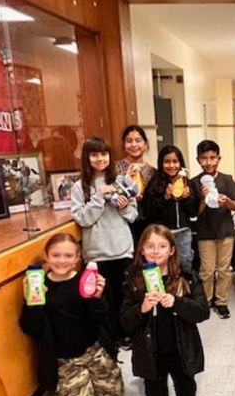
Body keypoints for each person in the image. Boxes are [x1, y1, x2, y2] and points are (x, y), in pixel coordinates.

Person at [19, 233, 123, 396]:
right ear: (46, 256)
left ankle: (94, 375)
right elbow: (30, 328)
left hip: (93, 349)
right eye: (56, 255)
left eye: (68, 256)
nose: (61, 261)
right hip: (65, 358)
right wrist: (31, 303)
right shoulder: (39, 285)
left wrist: (98, 298)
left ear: (77, 258)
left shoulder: (85, 281)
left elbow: (102, 318)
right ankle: (83, 379)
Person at [119, 223, 209, 396]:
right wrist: (141, 308)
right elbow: (124, 321)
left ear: (171, 250)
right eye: (150, 246)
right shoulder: (133, 279)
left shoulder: (187, 276)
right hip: (151, 353)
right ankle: (151, 383)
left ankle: (182, 382)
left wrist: (177, 302)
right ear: (142, 250)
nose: (155, 251)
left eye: (162, 246)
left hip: (181, 350)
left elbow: (202, 312)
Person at [70, 135, 138, 340]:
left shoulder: (121, 181)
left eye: (104, 154)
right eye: (94, 154)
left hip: (122, 249)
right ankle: (110, 339)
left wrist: (124, 205)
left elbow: (133, 215)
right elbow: (83, 219)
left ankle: (127, 335)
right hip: (97, 254)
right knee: (101, 298)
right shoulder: (79, 187)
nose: (100, 158)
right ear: (86, 157)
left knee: (124, 296)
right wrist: (99, 198)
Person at [190, 140, 235, 319]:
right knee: (207, 270)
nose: (209, 162)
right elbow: (195, 212)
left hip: (225, 230)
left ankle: (222, 301)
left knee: (224, 269)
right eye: (204, 158)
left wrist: (227, 201)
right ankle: (206, 299)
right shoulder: (195, 183)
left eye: (212, 158)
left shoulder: (227, 179)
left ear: (219, 158)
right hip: (205, 233)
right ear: (198, 160)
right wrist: (203, 199)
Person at [140, 145, 198, 273]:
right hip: (161, 233)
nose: (171, 166)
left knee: (184, 263)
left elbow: (193, 212)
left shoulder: (188, 184)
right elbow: (148, 211)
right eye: (167, 162)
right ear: (161, 164)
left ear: (181, 163)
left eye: (175, 161)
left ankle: (183, 290)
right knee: (161, 265)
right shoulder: (155, 184)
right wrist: (165, 197)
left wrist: (186, 198)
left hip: (183, 231)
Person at [115, 125, 156, 243]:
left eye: (138, 140)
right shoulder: (114, 168)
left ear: (145, 144)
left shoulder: (153, 171)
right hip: (121, 223)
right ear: (123, 144)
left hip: (146, 223)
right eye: (129, 141)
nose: (133, 145)